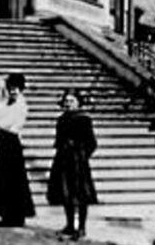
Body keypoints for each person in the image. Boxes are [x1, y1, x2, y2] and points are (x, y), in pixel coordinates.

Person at [0, 72, 36, 227]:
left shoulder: (21, 105)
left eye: (16, 88)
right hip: (2, 143)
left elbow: (8, 123)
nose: (13, 91)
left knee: (13, 181)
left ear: (21, 89)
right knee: (2, 179)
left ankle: (16, 215)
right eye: (11, 87)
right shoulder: (6, 102)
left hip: (11, 143)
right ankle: (5, 213)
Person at [47, 89, 98, 240]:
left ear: (78, 103)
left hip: (78, 162)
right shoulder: (61, 120)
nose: (68, 104)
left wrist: (81, 155)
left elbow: (92, 143)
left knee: (81, 195)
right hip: (63, 160)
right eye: (66, 101)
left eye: (72, 101)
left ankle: (81, 227)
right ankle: (70, 225)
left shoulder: (84, 119)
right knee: (66, 194)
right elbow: (58, 141)